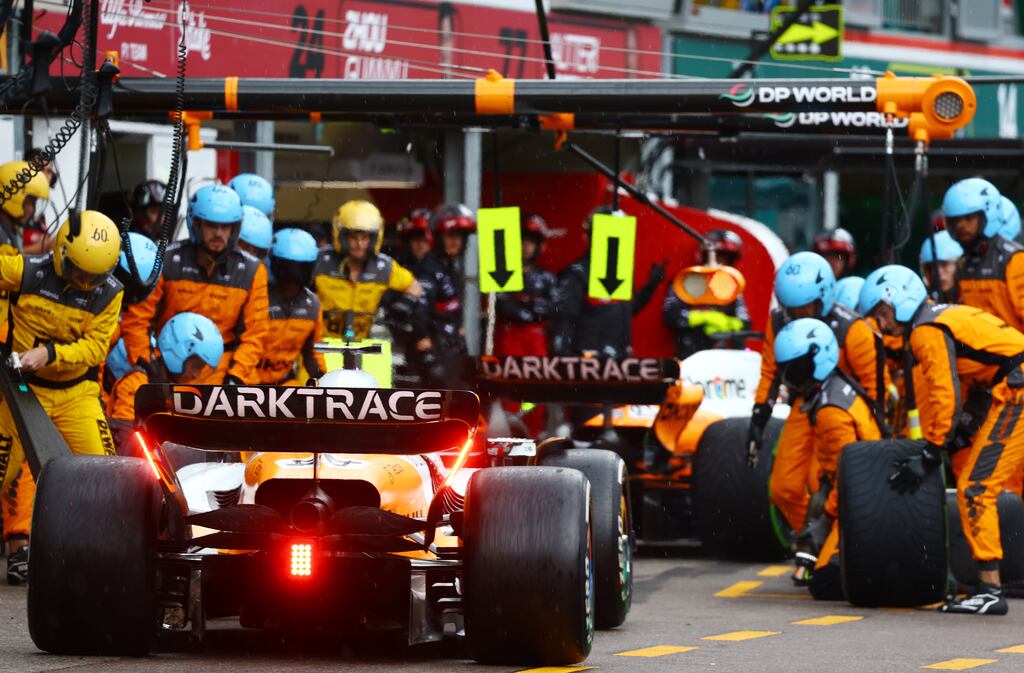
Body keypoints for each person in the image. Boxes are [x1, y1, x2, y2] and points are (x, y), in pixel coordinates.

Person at [860, 265, 1024, 615]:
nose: (883, 324)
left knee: (976, 487)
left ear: (900, 300)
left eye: (883, 313)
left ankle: (990, 588)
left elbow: (944, 394)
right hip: (1013, 383)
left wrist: (933, 451)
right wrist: (962, 431)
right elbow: (984, 375)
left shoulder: (925, 330)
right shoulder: (942, 315)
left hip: (1019, 390)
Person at [0, 211, 123, 584]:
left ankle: (105, 561)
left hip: (76, 393)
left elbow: (95, 349)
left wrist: (50, 354)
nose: (84, 282)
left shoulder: (110, 293)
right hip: (20, 392)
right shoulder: (25, 271)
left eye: (94, 276)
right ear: (61, 254)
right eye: (77, 271)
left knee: (108, 479)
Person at [747, 251, 883, 584]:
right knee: (783, 488)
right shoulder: (779, 321)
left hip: (844, 412)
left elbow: (875, 391)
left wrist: (878, 442)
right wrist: (759, 419)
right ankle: (812, 540)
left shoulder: (854, 330)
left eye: (803, 307)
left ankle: (836, 551)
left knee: (828, 483)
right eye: (789, 306)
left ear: (823, 297)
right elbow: (770, 371)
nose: (795, 315)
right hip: (804, 405)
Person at [772, 318, 881, 597]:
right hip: (860, 491)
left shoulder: (830, 412)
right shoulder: (833, 386)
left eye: (793, 370)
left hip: (865, 499)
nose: (788, 379)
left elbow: (847, 481)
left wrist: (824, 521)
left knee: (826, 581)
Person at [120, 184, 269, 385]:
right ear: (196, 223)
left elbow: (255, 334)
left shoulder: (252, 270)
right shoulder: (165, 259)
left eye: (225, 227)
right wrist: (147, 366)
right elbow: (137, 321)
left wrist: (236, 377)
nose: (218, 233)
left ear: (235, 229)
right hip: (167, 368)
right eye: (210, 225)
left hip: (224, 372)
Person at [551, 207, 666, 358]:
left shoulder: (620, 273)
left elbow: (625, 310)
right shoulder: (577, 273)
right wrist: (564, 356)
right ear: (594, 236)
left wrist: (650, 287)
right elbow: (565, 319)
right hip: (589, 361)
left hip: (619, 358)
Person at [313, 200, 422, 341]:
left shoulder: (384, 266)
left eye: (365, 238)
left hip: (365, 343)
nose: (359, 244)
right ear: (341, 236)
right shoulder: (320, 261)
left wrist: (403, 306)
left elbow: (415, 287)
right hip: (322, 341)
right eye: (353, 238)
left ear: (375, 238)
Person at [107, 312, 224, 438]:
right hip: (129, 456)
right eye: (196, 365)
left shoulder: (173, 391)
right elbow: (122, 437)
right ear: (179, 350)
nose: (196, 374)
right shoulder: (139, 383)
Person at [944, 178, 1024, 332]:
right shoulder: (963, 263)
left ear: (987, 215)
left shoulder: (1013, 259)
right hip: (978, 352)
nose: (961, 226)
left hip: (1012, 352)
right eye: (955, 221)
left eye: (968, 218)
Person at [391, 208, 460, 385]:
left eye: (424, 240)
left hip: (444, 346)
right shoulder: (401, 271)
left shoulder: (444, 267)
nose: (420, 245)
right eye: (415, 240)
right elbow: (414, 312)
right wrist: (423, 337)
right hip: (415, 349)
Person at [662, 229, 750, 359]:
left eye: (725, 259)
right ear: (703, 257)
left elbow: (744, 323)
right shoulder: (685, 281)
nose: (719, 263)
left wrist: (726, 323)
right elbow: (670, 316)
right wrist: (702, 317)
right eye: (716, 258)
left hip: (725, 358)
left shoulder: (731, 285)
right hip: (690, 356)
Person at [256, 228, 326, 385]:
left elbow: (312, 353)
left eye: (301, 267)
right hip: (248, 382)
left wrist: (325, 381)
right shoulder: (257, 296)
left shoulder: (312, 305)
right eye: (289, 266)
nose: (294, 274)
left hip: (284, 382)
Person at [494, 214, 558, 357]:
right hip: (509, 335)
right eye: (522, 241)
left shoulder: (547, 277)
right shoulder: (501, 274)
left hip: (537, 337)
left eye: (531, 242)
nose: (526, 247)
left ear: (538, 246)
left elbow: (555, 306)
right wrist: (523, 310)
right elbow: (500, 302)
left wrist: (535, 309)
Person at [431, 203, 475, 302]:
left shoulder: (451, 268)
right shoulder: (428, 270)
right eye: (450, 235)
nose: (456, 241)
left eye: (459, 236)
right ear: (439, 237)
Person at [919, 230, 964, 304]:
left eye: (944, 264)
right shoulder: (927, 306)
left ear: (959, 264)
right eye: (931, 267)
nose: (938, 272)